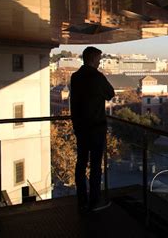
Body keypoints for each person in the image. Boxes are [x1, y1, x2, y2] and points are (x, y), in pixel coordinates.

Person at [70, 47, 115, 213]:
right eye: (98, 59)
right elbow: (110, 93)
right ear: (92, 59)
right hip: (96, 127)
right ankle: (94, 201)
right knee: (96, 166)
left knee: (81, 163)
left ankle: (82, 200)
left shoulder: (75, 77)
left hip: (80, 127)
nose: (99, 62)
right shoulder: (97, 77)